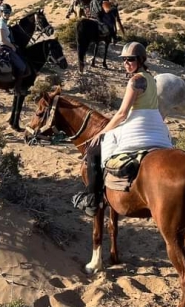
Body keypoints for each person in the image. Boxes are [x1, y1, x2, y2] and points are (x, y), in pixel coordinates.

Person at [72, 42, 173, 216]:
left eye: (130, 59)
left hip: (137, 125)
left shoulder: (135, 81)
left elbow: (122, 114)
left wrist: (102, 133)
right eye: (124, 59)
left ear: (140, 59)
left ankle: (92, 200)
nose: (126, 63)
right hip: (156, 125)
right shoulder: (150, 77)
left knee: (94, 150)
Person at [0, 3, 28, 95]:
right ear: (1, 12)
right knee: (22, 66)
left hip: (2, 46)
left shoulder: (3, 23)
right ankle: (17, 89)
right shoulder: (1, 24)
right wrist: (12, 46)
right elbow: (3, 40)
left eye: (8, 12)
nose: (7, 14)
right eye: (5, 12)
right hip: (3, 48)